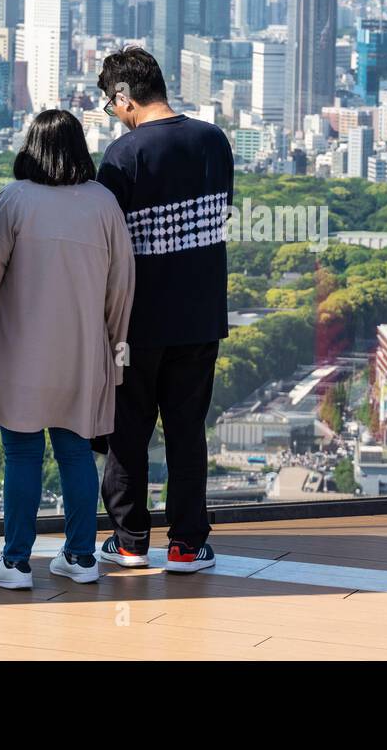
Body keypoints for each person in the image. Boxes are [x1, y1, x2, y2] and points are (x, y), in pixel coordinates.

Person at [0, 110, 135, 589]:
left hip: (20, 352)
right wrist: (113, 348)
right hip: (83, 355)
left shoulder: (15, 200)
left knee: (21, 455)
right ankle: (81, 558)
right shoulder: (103, 204)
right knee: (76, 454)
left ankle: (16, 563)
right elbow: (122, 288)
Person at [93, 46, 233, 573]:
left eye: (112, 104)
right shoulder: (213, 142)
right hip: (199, 313)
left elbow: (107, 241)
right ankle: (187, 543)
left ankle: (130, 541)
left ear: (125, 97)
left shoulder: (124, 157)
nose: (115, 114)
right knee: (186, 429)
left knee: (128, 431)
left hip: (137, 320)